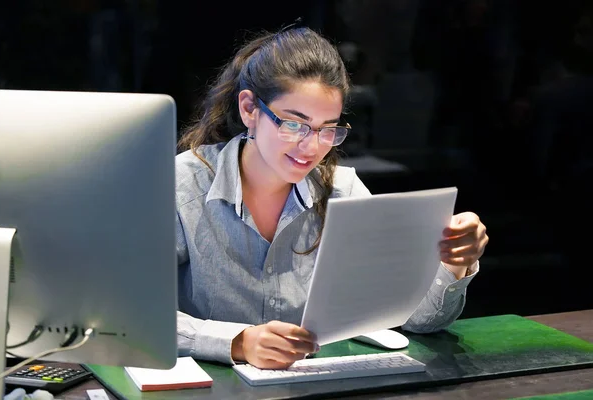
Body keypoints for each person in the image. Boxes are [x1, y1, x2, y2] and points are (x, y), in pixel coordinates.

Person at [175, 26, 489, 370]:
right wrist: (237, 342)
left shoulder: (344, 191)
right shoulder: (182, 186)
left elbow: (419, 321)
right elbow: (124, 318)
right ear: (250, 108)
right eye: (294, 124)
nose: (312, 147)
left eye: (328, 129)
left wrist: (455, 261)